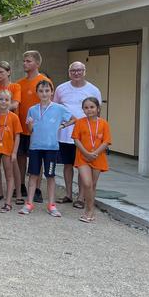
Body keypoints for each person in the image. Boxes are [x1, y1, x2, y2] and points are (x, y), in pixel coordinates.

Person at [20, 80, 74, 217]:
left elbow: (74, 119)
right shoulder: (32, 109)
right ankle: (29, 203)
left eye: (47, 91)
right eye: (41, 91)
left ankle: (51, 204)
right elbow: (30, 130)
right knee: (33, 175)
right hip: (35, 147)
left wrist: (62, 126)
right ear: (37, 93)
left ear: (52, 92)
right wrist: (30, 125)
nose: (44, 93)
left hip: (51, 147)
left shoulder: (58, 108)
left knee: (50, 176)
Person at [53, 62, 102, 208]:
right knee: (67, 165)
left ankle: (80, 197)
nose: (76, 73)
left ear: (84, 71)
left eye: (79, 70)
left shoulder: (93, 90)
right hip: (65, 135)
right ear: (69, 72)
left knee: (82, 166)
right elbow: (55, 108)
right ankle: (68, 194)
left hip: (84, 136)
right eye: (73, 70)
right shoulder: (61, 88)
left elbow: (98, 113)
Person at [16, 50, 51, 204]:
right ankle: (22, 185)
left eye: (28, 61)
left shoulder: (44, 81)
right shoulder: (19, 83)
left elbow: (49, 104)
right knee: (21, 157)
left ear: (37, 63)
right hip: (22, 127)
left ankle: (37, 188)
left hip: (38, 130)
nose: (25, 63)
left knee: (38, 160)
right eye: (24, 61)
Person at [72, 97, 111, 223]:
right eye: (86, 107)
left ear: (98, 108)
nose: (89, 110)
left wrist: (94, 153)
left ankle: (90, 210)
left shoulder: (104, 123)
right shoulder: (80, 122)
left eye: (92, 107)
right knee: (87, 183)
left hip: (98, 157)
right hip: (83, 157)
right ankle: (88, 210)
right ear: (83, 109)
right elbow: (76, 139)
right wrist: (86, 153)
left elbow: (106, 141)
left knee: (93, 185)